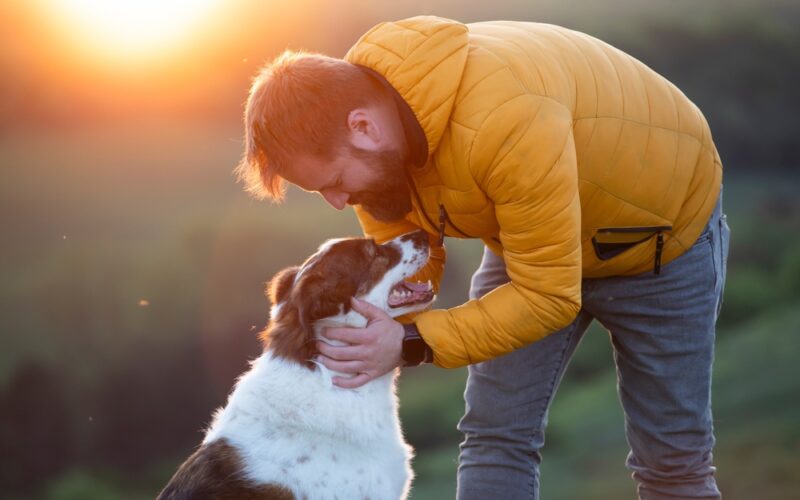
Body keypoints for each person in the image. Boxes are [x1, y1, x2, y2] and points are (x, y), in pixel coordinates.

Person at [235, 15, 730, 500]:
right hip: (531, 243)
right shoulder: (375, 133)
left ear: (362, 127)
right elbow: (409, 261)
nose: (338, 203)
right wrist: (362, 319)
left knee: (672, 462)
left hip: (661, 244)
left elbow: (548, 295)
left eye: (335, 182)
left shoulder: (505, 117)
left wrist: (409, 341)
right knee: (494, 436)